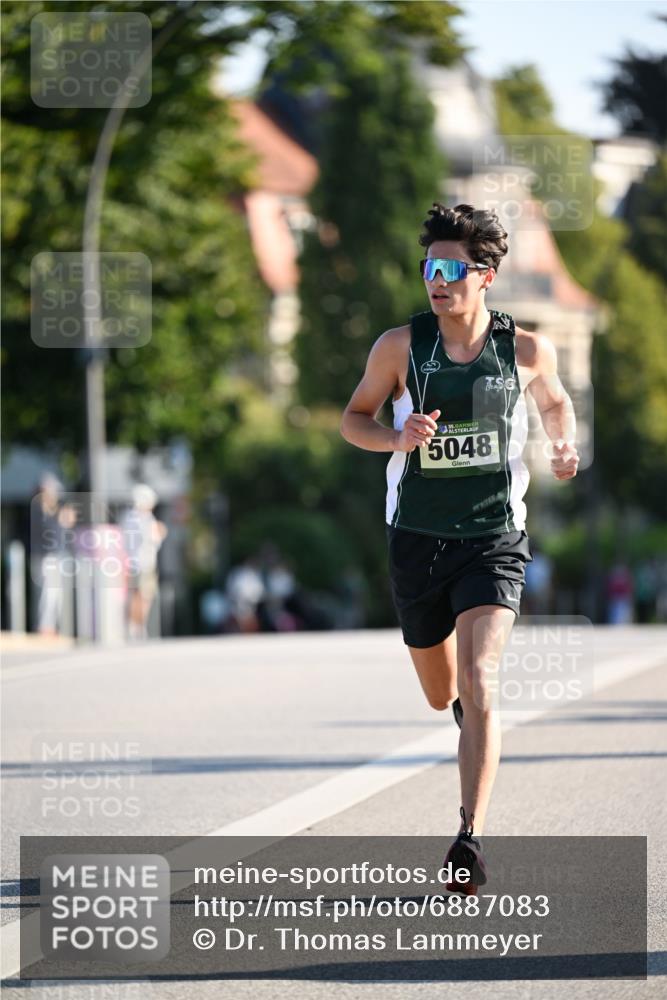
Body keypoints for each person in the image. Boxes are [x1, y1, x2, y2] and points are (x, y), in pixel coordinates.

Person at [340, 203, 579, 893]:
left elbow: (556, 401)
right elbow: (353, 419)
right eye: (428, 269)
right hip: (416, 538)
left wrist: (563, 443)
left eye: (449, 270)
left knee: (480, 682)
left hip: (493, 539)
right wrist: (395, 437)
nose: (434, 282)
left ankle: (468, 837)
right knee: (440, 692)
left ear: (485, 277)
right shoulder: (398, 347)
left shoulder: (526, 349)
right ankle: (462, 714)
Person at [120, 484, 168, 640]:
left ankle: (135, 627)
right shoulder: (143, 519)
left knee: (136, 595)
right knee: (142, 596)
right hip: (143, 563)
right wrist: (160, 532)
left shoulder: (127, 517)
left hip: (132, 562)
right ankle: (137, 627)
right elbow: (152, 539)